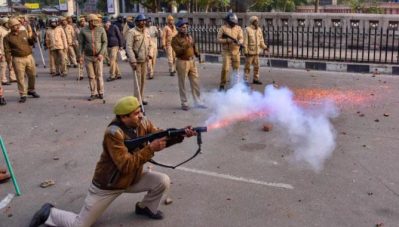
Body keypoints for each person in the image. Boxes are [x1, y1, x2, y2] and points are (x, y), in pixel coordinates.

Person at [29, 96, 197, 227]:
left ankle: (145, 207)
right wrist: (150, 149)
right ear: (124, 117)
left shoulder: (143, 123)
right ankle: (49, 213)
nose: (141, 115)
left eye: (140, 111)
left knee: (162, 181)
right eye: (136, 113)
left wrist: (180, 135)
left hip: (132, 178)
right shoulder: (113, 133)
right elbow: (125, 165)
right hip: (108, 185)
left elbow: (160, 136)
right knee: (80, 224)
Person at [171, 20, 206, 111]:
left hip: (192, 61)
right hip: (182, 62)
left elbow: (194, 46)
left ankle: (197, 101)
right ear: (178, 28)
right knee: (182, 83)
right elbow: (178, 51)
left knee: (195, 82)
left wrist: (197, 54)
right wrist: (187, 44)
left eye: (186, 27)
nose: (185, 29)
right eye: (183, 27)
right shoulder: (175, 39)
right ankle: (184, 102)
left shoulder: (189, 36)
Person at [4, 18, 40, 103]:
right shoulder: (7, 38)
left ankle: (31, 90)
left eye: (17, 25)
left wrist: (34, 37)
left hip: (29, 57)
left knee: (32, 75)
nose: (16, 27)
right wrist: (9, 62)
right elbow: (7, 51)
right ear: (10, 27)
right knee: (20, 78)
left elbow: (30, 42)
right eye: (14, 26)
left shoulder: (23, 32)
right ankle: (22, 94)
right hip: (17, 59)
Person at [78, 14, 107, 101]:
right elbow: (81, 44)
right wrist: (80, 56)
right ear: (90, 21)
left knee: (99, 75)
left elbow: (105, 42)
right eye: (94, 20)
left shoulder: (101, 29)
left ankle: (101, 92)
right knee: (91, 76)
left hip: (98, 57)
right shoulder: (83, 31)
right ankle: (93, 93)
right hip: (88, 57)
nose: (96, 22)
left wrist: (101, 53)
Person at [125, 14, 152, 106]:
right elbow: (128, 47)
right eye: (141, 21)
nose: (143, 22)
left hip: (144, 59)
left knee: (143, 81)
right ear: (137, 22)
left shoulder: (147, 31)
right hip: (136, 60)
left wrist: (150, 54)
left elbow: (150, 44)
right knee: (138, 82)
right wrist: (132, 60)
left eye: (144, 20)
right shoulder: (132, 32)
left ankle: (141, 97)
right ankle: (137, 101)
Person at [217, 12, 243, 91]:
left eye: (234, 23)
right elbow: (218, 39)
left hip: (236, 51)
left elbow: (241, 38)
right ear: (228, 21)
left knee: (236, 69)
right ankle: (222, 84)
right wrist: (226, 40)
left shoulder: (238, 28)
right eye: (232, 23)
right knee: (225, 68)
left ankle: (236, 85)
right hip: (226, 51)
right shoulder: (223, 28)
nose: (233, 24)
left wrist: (240, 42)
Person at [243, 16, 267, 85]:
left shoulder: (259, 30)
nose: (257, 22)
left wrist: (265, 47)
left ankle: (255, 79)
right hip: (249, 52)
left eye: (257, 21)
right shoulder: (247, 29)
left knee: (257, 67)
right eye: (255, 21)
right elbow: (245, 42)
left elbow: (261, 41)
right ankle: (245, 80)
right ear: (252, 22)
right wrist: (246, 51)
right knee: (247, 67)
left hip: (256, 52)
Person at [0, 17, 16, 86]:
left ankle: (12, 77)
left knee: (11, 64)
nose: (9, 24)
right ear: (3, 23)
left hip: (10, 50)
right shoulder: (0, 30)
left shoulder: (9, 30)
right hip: (3, 50)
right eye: (7, 23)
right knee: (3, 66)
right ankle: (3, 79)